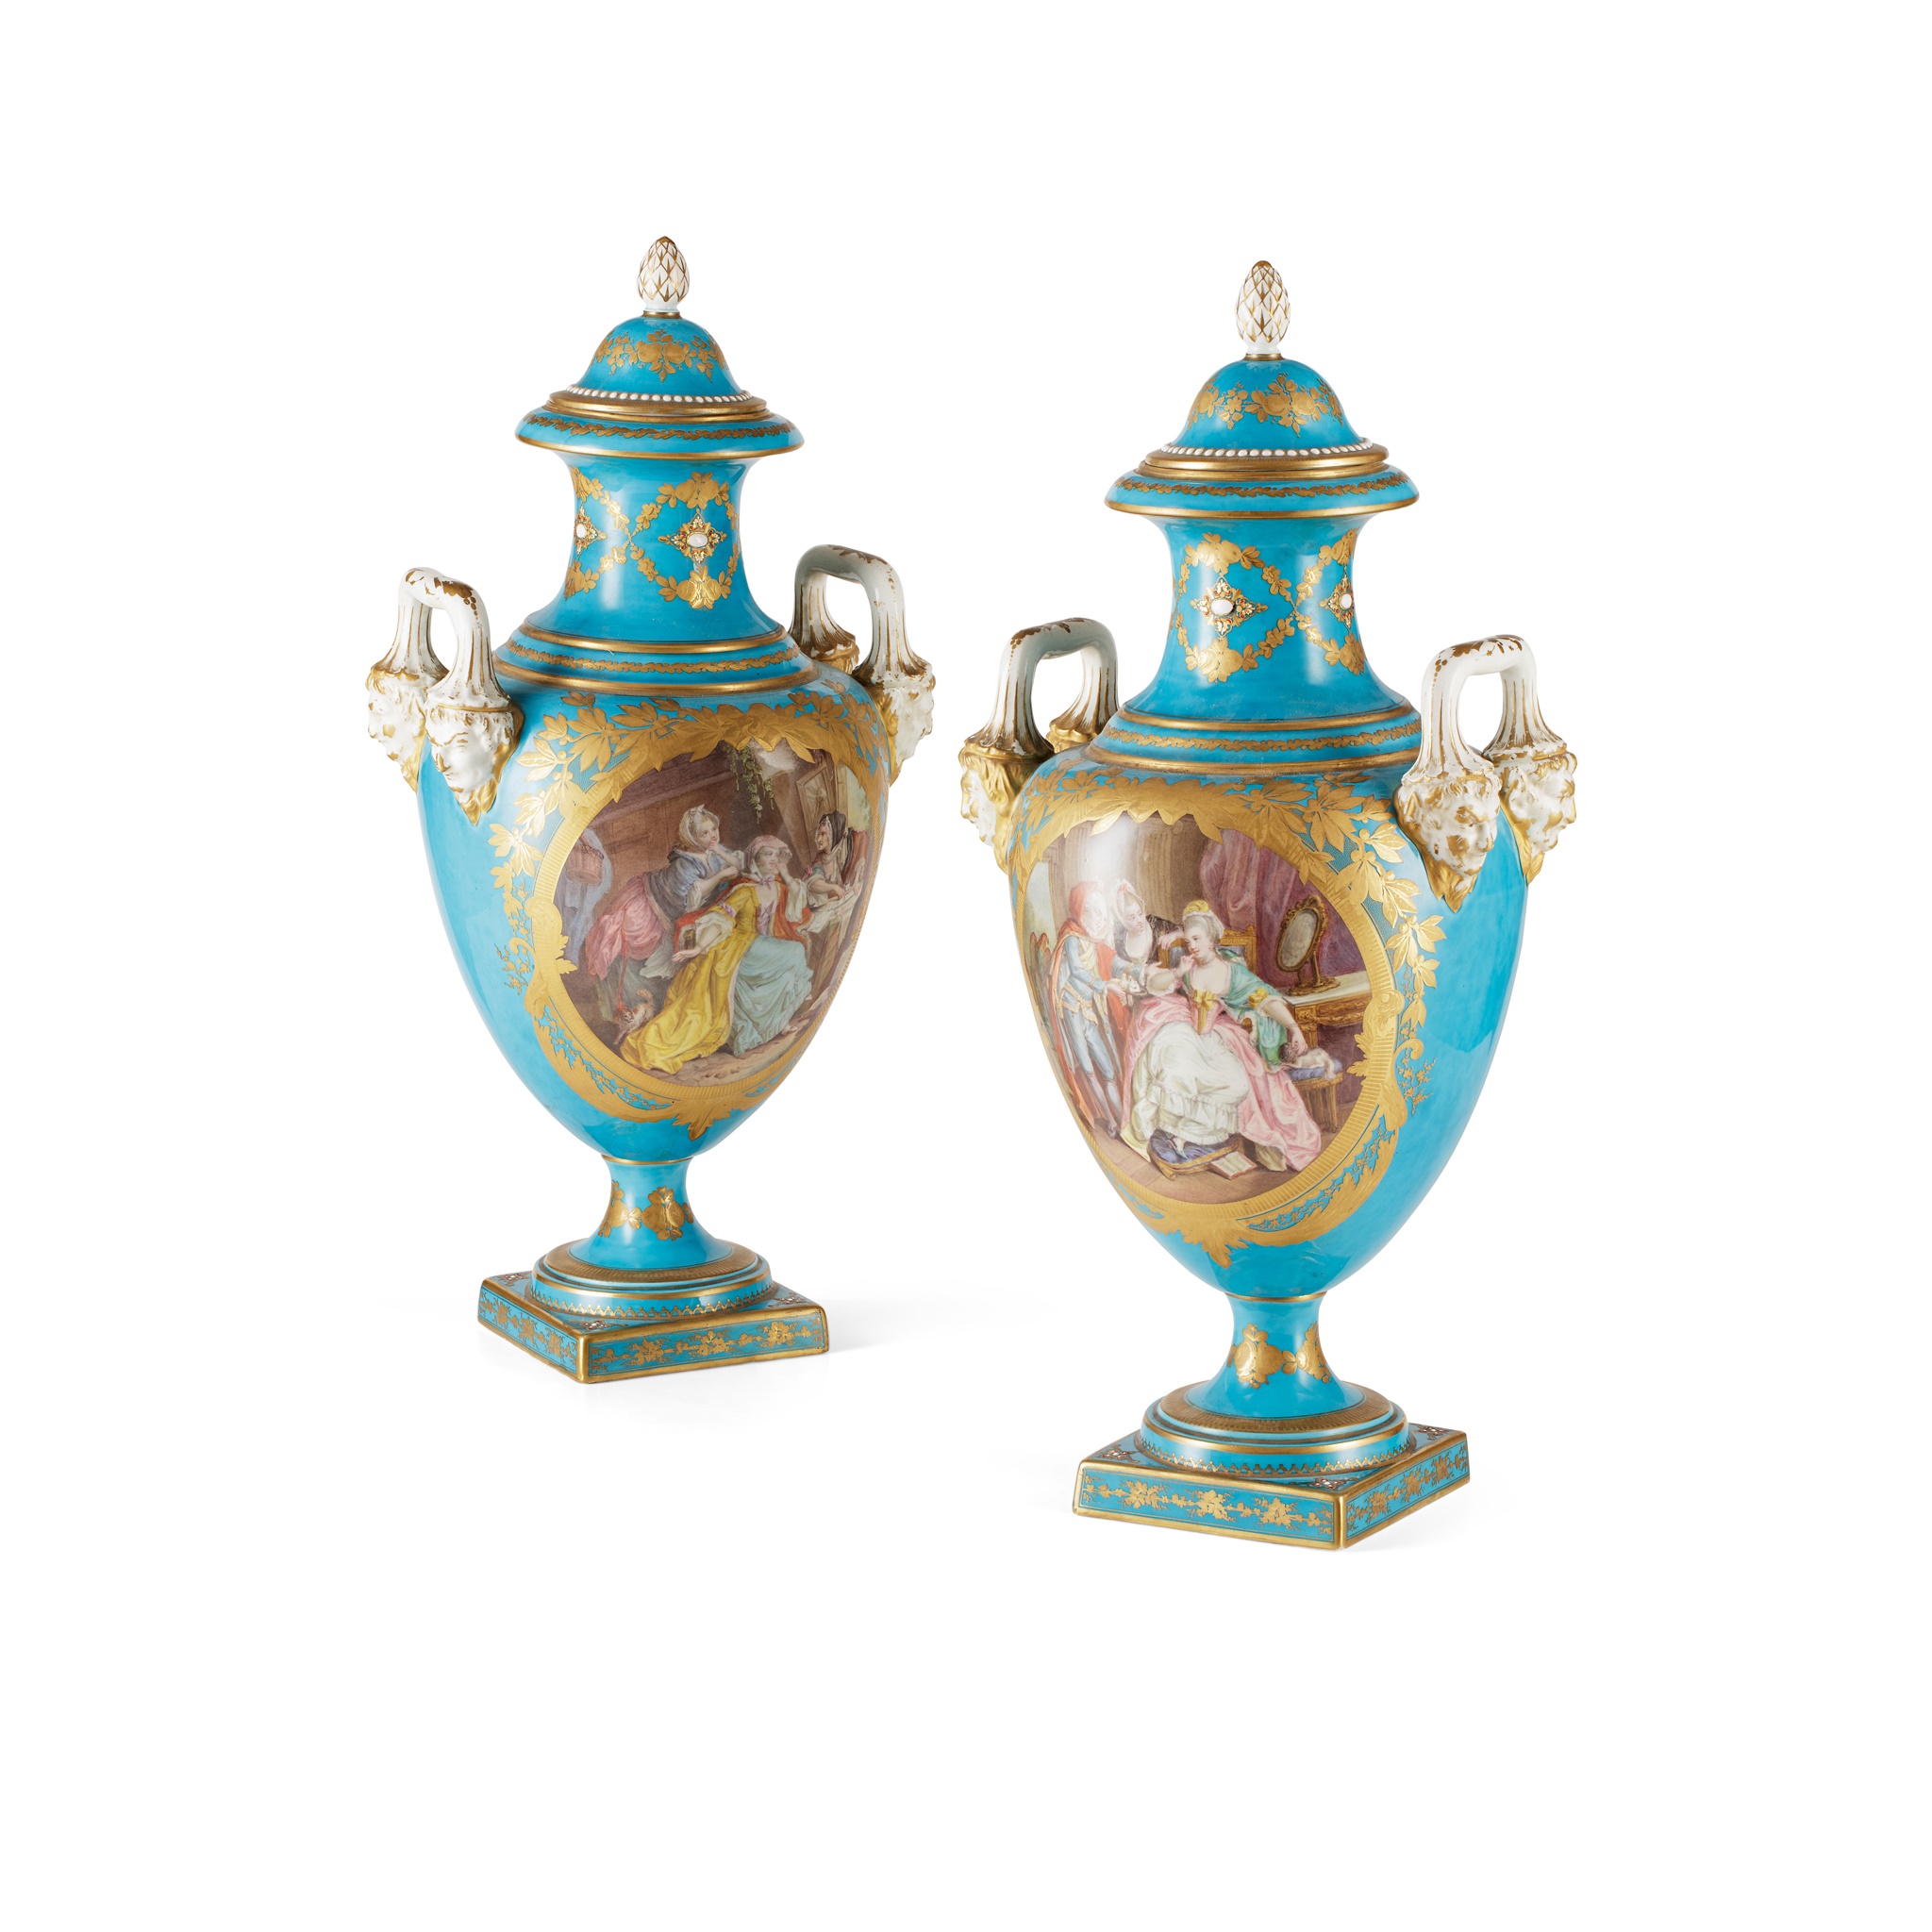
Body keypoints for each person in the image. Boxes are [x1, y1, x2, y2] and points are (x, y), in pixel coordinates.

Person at [1121, 900, 1324, 1174]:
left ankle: (1199, 1137)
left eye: (1197, 939)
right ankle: (1175, 1132)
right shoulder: (1188, 967)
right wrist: (1177, 972)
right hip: (1185, 1028)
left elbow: (1266, 999)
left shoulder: (1231, 971)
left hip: (1219, 1035)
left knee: (1234, 1084)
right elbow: (1154, 984)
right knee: (1173, 1066)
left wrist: (1294, 1027)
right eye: (1188, 940)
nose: (1192, 946)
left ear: (1211, 939)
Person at [623, 835, 812, 1075]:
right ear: (755, 859)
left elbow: (798, 903)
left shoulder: (778, 888)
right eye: (767, 854)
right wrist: (699, 947)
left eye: (776, 855)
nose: (773, 859)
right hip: (741, 946)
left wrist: (785, 875)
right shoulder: (745, 890)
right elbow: (719, 919)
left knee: (793, 955)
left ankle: (774, 1022)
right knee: (793, 951)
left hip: (762, 944)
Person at [1047, 879, 1148, 1138]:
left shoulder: (1094, 942)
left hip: (1090, 1013)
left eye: (1105, 916)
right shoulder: (1072, 938)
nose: (1103, 921)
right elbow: (1077, 971)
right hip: (1072, 1011)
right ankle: (1111, 1120)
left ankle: (1124, 1122)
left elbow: (1116, 963)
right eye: (1099, 915)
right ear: (1084, 911)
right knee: (1089, 1069)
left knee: (1108, 1069)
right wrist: (1105, 986)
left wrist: (1140, 970)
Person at [558, 829, 611, 965]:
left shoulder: (588, 836)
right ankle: (567, 958)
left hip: (582, 893)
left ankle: (575, 958)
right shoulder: (559, 837)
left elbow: (605, 870)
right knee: (564, 924)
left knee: (581, 926)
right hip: (566, 891)